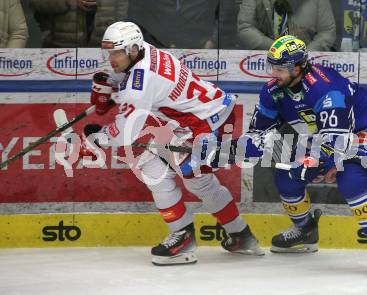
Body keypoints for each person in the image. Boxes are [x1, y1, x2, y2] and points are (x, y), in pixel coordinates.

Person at [76, 21, 264, 265]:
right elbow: (131, 80)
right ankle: (238, 236)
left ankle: (195, 238)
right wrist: (110, 82)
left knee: (194, 180)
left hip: (206, 125)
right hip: (206, 115)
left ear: (133, 49)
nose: (111, 58)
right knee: (154, 164)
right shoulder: (146, 50)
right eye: (108, 52)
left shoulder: (140, 83)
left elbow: (126, 129)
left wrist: (97, 139)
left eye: (116, 52)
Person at [243, 35, 367, 276]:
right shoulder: (273, 91)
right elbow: (258, 133)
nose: (274, 73)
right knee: (286, 177)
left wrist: (317, 161)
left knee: (350, 178)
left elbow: (336, 143)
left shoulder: (326, 87)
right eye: (273, 67)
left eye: (281, 68)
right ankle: (305, 230)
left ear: (299, 67)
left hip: (362, 128)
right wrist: (230, 150)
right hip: (321, 133)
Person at [237, 0, 336, 51]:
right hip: (264, 61)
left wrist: (305, 54)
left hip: (305, 64)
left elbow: (327, 32)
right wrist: (277, 48)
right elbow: (245, 27)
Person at [30, 0, 128, 47]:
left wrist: (115, 30)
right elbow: (35, 3)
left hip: (104, 47)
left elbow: (121, 7)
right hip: (61, 48)